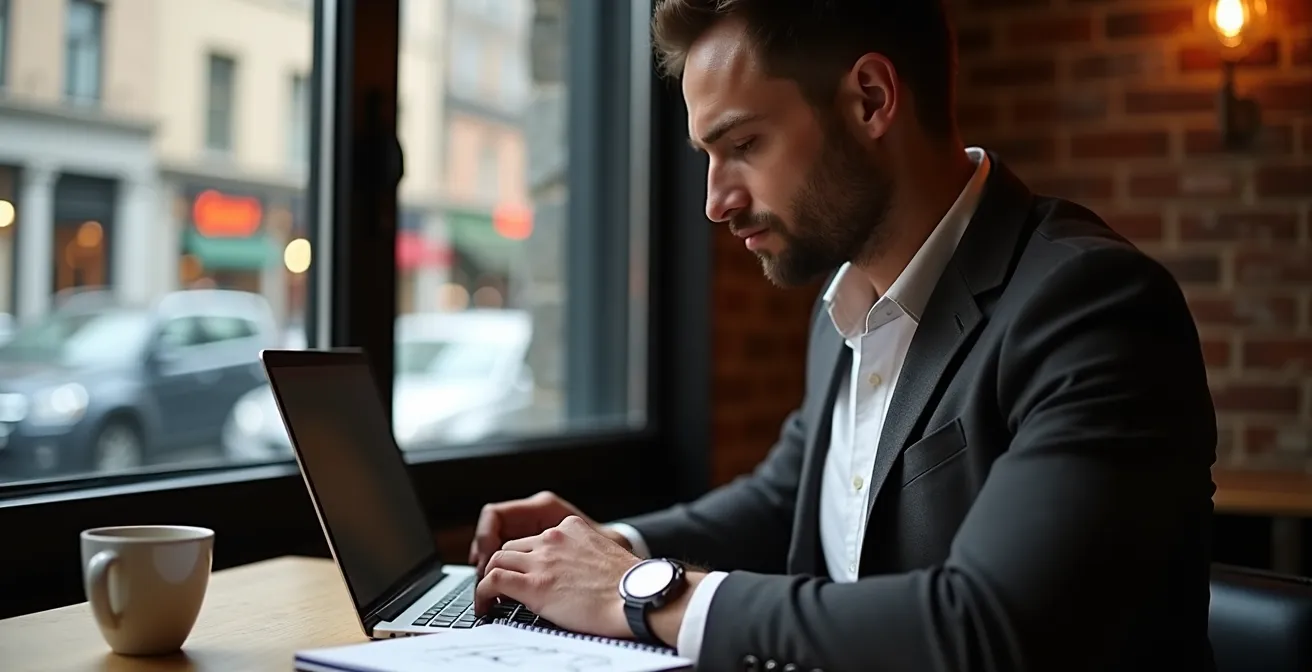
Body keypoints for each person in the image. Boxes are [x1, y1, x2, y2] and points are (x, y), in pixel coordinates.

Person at [470, 1, 1218, 670]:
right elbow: (784, 500)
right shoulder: (846, 308)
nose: (715, 202)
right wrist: (599, 545)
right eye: (707, 157)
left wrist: (637, 592)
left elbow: (988, 625)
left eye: (744, 144)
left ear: (871, 100)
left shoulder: (1092, 306)